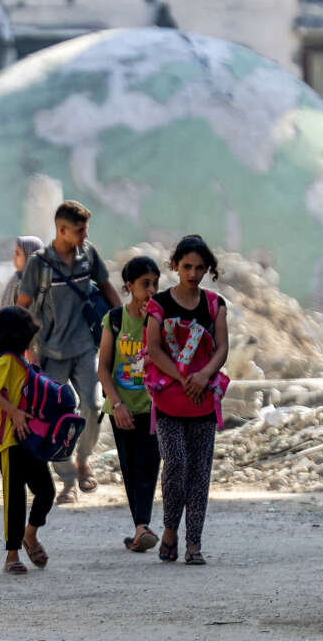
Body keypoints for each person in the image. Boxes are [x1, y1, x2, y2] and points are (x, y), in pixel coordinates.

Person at [17, 200, 120, 504]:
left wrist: (123, 322)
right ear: (61, 230)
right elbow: (21, 308)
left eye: (86, 229)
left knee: (92, 404)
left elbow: (107, 287)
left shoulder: (88, 255)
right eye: (79, 230)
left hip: (85, 347)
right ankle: (67, 478)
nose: (85, 235)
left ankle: (84, 459)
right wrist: (27, 349)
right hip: (49, 351)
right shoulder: (39, 264)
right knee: (54, 417)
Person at [145, 235, 229, 565]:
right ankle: (169, 530)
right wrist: (183, 377)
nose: (193, 273)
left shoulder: (214, 305)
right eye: (187, 266)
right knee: (175, 464)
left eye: (199, 267)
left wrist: (204, 375)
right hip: (169, 397)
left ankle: (193, 543)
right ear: (175, 266)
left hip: (203, 399)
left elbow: (222, 347)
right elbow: (153, 348)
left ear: (208, 270)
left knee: (199, 473)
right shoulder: (160, 305)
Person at [0, 306, 54, 575]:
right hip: (9, 439)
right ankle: (12, 555)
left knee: (46, 490)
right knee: (15, 497)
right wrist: (14, 412)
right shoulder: (6, 361)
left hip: (28, 437)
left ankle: (30, 534)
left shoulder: (21, 361)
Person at [97, 256, 161, 553]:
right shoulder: (115, 319)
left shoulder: (160, 317)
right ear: (129, 286)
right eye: (144, 284)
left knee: (149, 467)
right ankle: (141, 528)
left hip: (153, 406)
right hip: (121, 406)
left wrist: (155, 322)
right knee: (130, 468)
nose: (151, 290)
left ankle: (141, 526)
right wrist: (117, 404)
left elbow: (168, 355)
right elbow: (104, 368)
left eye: (155, 284)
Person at [0, 236, 44, 307]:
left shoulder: (40, 286)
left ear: (29, 255)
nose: (14, 258)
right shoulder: (16, 279)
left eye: (18, 254)